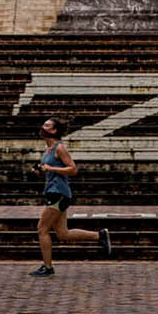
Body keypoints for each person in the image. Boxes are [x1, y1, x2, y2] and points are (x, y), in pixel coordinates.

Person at [30, 116, 110, 275]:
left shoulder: (59, 148)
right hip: (53, 191)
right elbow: (50, 168)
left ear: (54, 130)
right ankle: (99, 235)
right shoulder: (48, 149)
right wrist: (40, 170)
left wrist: (51, 169)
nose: (42, 127)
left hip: (59, 193)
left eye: (46, 125)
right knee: (62, 234)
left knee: (42, 229)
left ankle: (48, 267)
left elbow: (73, 169)